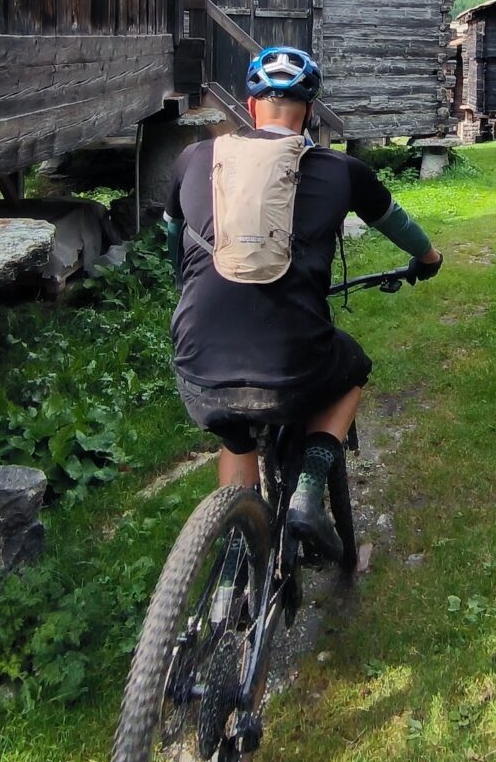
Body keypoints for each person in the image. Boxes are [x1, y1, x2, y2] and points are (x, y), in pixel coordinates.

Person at [164, 45, 442, 560]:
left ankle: (230, 567)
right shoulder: (341, 171)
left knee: (236, 439)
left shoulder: (195, 159)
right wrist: (428, 258)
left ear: (249, 107)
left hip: (198, 363)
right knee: (352, 368)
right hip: (294, 365)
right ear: (309, 112)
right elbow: (397, 223)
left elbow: (172, 238)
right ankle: (310, 490)